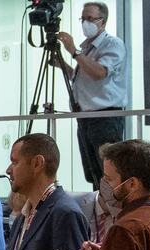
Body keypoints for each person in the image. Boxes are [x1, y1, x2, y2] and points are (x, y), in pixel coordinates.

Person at [58, 1, 126, 190]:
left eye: (90, 18)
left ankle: (113, 214)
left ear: (102, 21)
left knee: (109, 172)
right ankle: (100, 212)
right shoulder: (86, 48)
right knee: (93, 172)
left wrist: (73, 51)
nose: (85, 23)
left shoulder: (112, 44)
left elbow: (99, 73)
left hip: (105, 117)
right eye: (83, 18)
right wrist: (63, 64)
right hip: (85, 117)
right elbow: (82, 78)